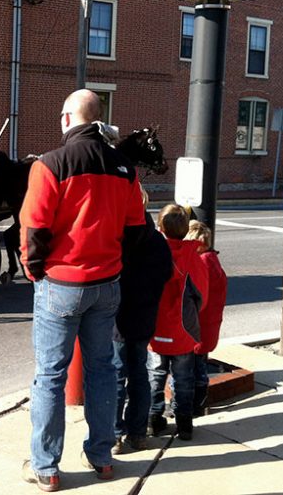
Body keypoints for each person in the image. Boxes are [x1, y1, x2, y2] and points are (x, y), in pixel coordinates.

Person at [20, 89, 146, 492]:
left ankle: (46, 466)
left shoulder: (50, 165)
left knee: (50, 376)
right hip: (106, 284)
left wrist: (34, 271)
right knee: (103, 370)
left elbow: (33, 229)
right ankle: (102, 456)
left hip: (61, 282)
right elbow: (136, 230)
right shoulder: (125, 168)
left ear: (66, 118)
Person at [113, 185, 173, 453]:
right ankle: (137, 433)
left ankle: (113, 434)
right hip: (145, 315)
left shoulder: (116, 236)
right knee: (139, 373)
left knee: (115, 375)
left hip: (117, 315)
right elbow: (166, 274)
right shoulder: (157, 240)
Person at [147, 204, 209, 441]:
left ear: (160, 227)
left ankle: (153, 419)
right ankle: (184, 423)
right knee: (183, 378)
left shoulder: (152, 253)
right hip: (183, 328)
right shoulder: (194, 258)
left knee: (155, 375)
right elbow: (202, 295)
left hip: (154, 326)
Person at [185, 220, 228, 417]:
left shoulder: (201, 264)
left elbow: (196, 299)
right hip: (209, 326)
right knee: (200, 368)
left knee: (189, 371)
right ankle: (200, 405)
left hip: (197, 328)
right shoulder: (213, 261)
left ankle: (192, 406)